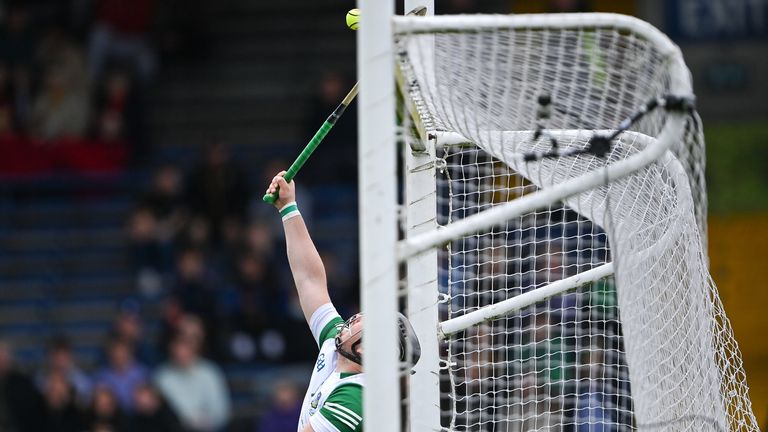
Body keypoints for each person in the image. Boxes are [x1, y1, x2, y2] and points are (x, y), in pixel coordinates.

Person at [265, 172, 422, 432]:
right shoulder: (333, 345)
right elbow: (309, 280)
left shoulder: (356, 396)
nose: (358, 316)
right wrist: (288, 207)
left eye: (365, 322)